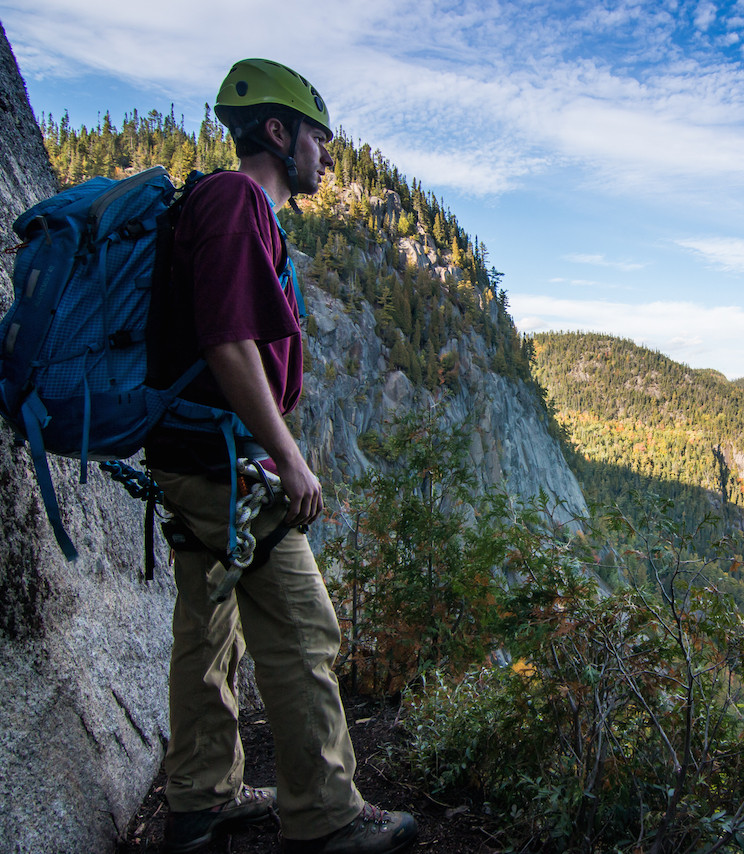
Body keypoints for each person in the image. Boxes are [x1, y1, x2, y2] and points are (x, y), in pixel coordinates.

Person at [146, 58, 418, 854]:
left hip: (195, 455)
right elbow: (229, 345)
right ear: (278, 131)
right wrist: (289, 459)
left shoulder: (222, 205)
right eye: (318, 140)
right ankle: (327, 816)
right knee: (304, 630)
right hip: (223, 464)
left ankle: (199, 801)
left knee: (207, 628)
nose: (327, 157)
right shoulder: (235, 203)